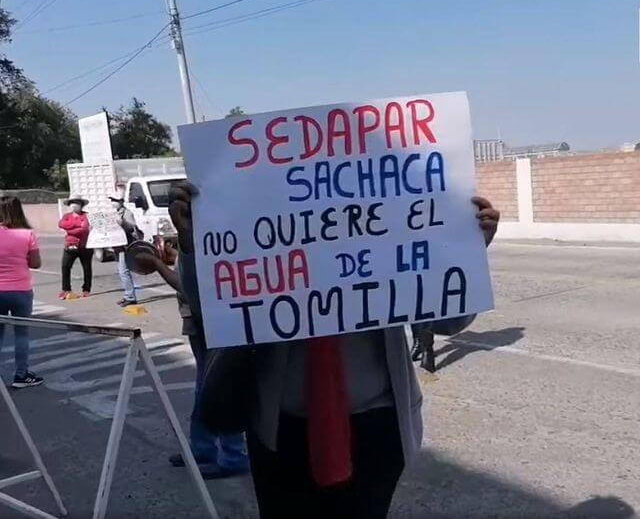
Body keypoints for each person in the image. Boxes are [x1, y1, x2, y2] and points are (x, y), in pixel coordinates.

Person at [168, 181, 500, 518]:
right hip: (278, 431)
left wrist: (467, 253)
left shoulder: (387, 218)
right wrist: (193, 246)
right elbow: (210, 308)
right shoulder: (260, 214)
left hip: (377, 428)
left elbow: (448, 323)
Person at [130, 247, 251, 480]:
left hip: (212, 322)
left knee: (220, 387)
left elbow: (189, 287)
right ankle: (202, 450)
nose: (176, 213)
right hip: (201, 322)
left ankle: (232, 455)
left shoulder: (203, 235)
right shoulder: (194, 239)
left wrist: (157, 264)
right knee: (204, 387)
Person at [0, 196, 44, 390]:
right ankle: (21, 375)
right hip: (21, 290)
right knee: (22, 334)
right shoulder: (27, 234)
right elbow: (36, 263)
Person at [58, 194, 93, 300]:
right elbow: (61, 224)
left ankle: (86, 289)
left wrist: (71, 228)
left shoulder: (87, 216)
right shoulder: (66, 216)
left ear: (81, 205)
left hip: (85, 246)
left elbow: (84, 229)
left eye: (77, 203)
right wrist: (77, 225)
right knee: (65, 266)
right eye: (72, 203)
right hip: (70, 245)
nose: (74, 205)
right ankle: (66, 289)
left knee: (86, 268)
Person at [110, 195, 141, 307]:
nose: (113, 202)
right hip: (118, 245)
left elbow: (132, 227)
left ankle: (131, 297)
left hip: (126, 246)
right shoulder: (116, 213)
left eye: (115, 200)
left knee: (124, 272)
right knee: (121, 271)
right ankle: (128, 295)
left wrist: (122, 222)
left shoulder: (127, 213)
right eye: (112, 200)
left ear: (121, 201)